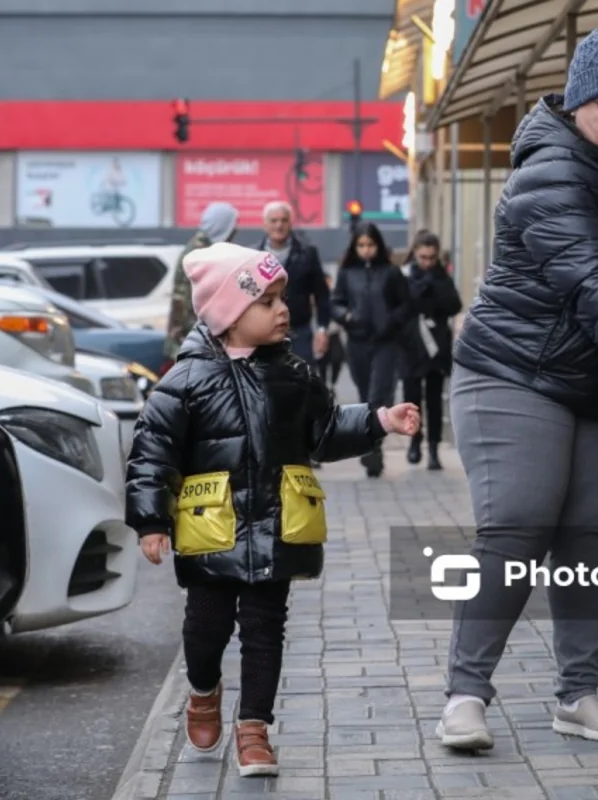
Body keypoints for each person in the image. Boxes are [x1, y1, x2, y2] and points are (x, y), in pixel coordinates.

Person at [434, 26, 598, 752]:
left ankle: (577, 695)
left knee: (590, 536)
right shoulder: (547, 167)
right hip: (514, 372)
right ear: (580, 101)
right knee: (518, 524)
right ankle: (465, 696)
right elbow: (588, 276)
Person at [125, 242, 421, 777]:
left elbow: (324, 432)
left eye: (283, 297)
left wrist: (378, 421)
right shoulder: (184, 383)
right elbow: (152, 453)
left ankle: (254, 728)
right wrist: (150, 519)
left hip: (277, 524)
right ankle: (203, 689)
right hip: (211, 527)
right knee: (206, 626)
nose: (284, 309)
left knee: (265, 627)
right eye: (268, 300)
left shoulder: (295, 376)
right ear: (229, 315)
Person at [330, 222, 413, 478]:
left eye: (371, 245)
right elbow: (335, 303)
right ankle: (371, 444)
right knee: (366, 395)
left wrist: (391, 320)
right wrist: (346, 316)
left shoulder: (390, 272)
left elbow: (406, 305)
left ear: (378, 245)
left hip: (385, 343)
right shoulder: (347, 273)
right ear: (355, 247)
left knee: (379, 395)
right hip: (357, 342)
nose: (366, 250)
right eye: (362, 245)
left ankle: (372, 449)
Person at [399, 230, 463, 470]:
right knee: (411, 401)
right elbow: (399, 308)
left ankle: (434, 449)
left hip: (436, 349)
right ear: (415, 253)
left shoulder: (442, 277)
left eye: (431, 257)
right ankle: (414, 442)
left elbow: (454, 304)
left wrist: (435, 287)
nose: (426, 262)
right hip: (411, 348)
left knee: (435, 401)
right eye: (423, 257)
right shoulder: (405, 276)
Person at [164, 201, 239, 361]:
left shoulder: (202, 247)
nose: (235, 230)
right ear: (222, 225)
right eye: (232, 225)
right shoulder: (203, 253)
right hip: (192, 342)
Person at [258, 200, 331, 364]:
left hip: (299, 333)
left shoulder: (308, 254)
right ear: (265, 224)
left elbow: (322, 295)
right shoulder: (253, 256)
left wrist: (322, 329)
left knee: (301, 385)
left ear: (290, 223)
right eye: (274, 221)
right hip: (262, 334)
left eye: (284, 220)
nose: (279, 225)